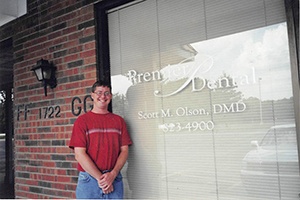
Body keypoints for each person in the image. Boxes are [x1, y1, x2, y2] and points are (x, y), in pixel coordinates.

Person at [69, 80, 132, 199]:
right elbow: (79, 154)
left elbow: (124, 151)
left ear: (111, 96)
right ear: (92, 95)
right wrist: (101, 179)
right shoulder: (82, 122)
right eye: (99, 92)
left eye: (107, 93)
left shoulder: (119, 121)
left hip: (114, 178)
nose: (103, 96)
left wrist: (112, 175)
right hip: (89, 179)